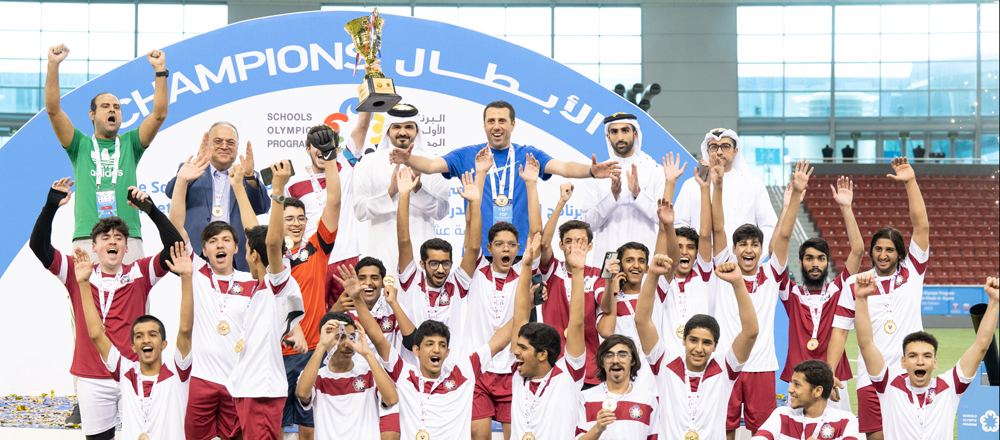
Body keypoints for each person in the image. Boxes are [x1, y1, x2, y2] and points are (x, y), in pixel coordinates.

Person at [30, 179, 182, 440]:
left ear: (125, 247)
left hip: (133, 373)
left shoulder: (140, 272)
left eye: (119, 238)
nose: (113, 241)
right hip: (91, 376)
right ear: (95, 246)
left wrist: (152, 211)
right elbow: (39, 246)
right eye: (105, 237)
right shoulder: (77, 270)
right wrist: (51, 206)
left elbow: (174, 248)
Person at [389, 100, 620, 254]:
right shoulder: (468, 155)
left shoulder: (528, 155)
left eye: (502, 121)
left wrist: (591, 171)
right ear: (484, 125)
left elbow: (563, 167)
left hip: (521, 251)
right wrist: (407, 158)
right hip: (478, 252)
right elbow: (429, 165)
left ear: (513, 124)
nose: (496, 126)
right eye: (491, 121)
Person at [240, 125, 342, 440]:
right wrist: (239, 188)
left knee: (310, 432)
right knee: (276, 431)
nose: (296, 223)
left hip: (312, 352)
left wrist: (331, 158)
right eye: (288, 218)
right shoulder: (272, 257)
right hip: (274, 356)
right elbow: (249, 229)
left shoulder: (316, 248)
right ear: (278, 224)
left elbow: (334, 203)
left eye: (300, 218)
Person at [340, 262, 515, 440]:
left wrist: (529, 304)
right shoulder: (404, 374)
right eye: (429, 344)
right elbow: (378, 338)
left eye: (442, 345)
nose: (436, 350)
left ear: (448, 352)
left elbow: (499, 342)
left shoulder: (463, 372)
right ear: (416, 350)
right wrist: (356, 298)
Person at [828, 157, 930, 440]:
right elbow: (839, 331)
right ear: (871, 252)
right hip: (870, 377)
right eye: (878, 249)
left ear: (900, 254)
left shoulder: (912, 271)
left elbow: (920, 226)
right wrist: (828, 370)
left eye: (889, 250)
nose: (883, 255)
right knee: (876, 437)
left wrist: (910, 182)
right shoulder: (855, 283)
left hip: (910, 373)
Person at [712, 159, 811, 439]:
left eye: (755, 244)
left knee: (763, 432)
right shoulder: (725, 269)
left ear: (761, 249)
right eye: (742, 244)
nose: (749, 249)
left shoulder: (771, 272)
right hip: (726, 363)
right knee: (725, 429)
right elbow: (718, 229)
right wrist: (717, 187)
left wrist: (795, 198)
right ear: (733, 249)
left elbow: (785, 234)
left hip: (762, 367)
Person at [45, 44, 168, 264]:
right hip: (87, 237)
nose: (112, 110)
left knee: (134, 299)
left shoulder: (131, 143)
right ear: (92, 114)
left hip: (128, 238)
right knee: (84, 298)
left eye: (117, 107)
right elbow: (53, 111)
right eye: (105, 106)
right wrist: (53, 65)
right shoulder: (79, 144)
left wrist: (160, 71)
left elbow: (159, 115)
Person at [168, 154, 260, 440]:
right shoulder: (197, 271)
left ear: (236, 248)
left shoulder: (252, 282)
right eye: (212, 241)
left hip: (238, 381)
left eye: (226, 241)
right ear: (204, 251)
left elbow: (256, 234)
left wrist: (241, 188)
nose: (219, 245)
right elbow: (175, 228)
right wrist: (182, 181)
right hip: (202, 381)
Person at [452, 149, 542, 439]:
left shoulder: (524, 276)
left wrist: (531, 185)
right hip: (477, 368)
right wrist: (477, 190)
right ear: (489, 248)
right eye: (499, 244)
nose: (506, 249)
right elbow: (471, 241)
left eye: (511, 244)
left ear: (518, 249)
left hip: (513, 370)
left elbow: (537, 235)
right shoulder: (475, 270)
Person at [853, 276, 999, 440]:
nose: (920, 361)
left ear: (935, 362)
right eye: (913, 356)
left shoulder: (950, 386)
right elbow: (866, 344)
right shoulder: (889, 385)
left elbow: (981, 346)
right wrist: (861, 298)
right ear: (903, 362)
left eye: (927, 356)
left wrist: (994, 301)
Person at [74, 242, 192, 439]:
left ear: (164, 344)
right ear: (133, 346)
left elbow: (186, 330)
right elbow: (96, 334)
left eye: (153, 334)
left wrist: (186, 278)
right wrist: (84, 284)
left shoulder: (178, 372)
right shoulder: (125, 372)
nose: (146, 340)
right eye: (139, 336)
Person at [637, 254, 759, 440]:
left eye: (707, 342)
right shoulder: (664, 362)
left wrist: (738, 283)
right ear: (684, 340)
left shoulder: (725, 368)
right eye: (693, 340)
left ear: (716, 346)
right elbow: (642, 321)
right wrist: (652, 275)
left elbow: (750, 332)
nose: (699, 348)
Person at [227, 159, 306, 439]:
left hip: (261, 391)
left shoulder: (278, 284)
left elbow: (271, 243)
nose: (244, 254)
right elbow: (256, 234)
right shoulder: (262, 286)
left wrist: (278, 190)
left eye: (247, 250)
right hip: (246, 388)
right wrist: (237, 187)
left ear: (253, 256)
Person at [777, 177, 863, 411]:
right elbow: (777, 250)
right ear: (800, 262)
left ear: (827, 263)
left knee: (838, 434)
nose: (815, 264)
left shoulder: (838, 289)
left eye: (821, 259)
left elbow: (858, 250)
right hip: (800, 382)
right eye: (809, 258)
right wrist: (788, 206)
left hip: (834, 378)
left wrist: (846, 207)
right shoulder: (790, 292)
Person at [354, 103, 450, 274]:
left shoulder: (433, 162)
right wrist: (391, 192)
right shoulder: (370, 162)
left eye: (408, 127)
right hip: (382, 254)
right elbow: (360, 212)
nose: (403, 132)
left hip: (422, 254)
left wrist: (418, 188)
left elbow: (441, 211)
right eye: (396, 127)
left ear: (417, 130)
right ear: (387, 131)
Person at [285, 118, 370, 306]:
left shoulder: (345, 165)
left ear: (336, 149)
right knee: (313, 314)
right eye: (317, 144)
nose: (322, 149)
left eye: (327, 144)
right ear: (308, 150)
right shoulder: (293, 182)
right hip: (313, 259)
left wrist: (370, 99)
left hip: (346, 258)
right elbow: (287, 225)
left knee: (348, 319)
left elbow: (362, 128)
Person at [510, 233, 587, 439]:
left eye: (523, 348)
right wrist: (526, 267)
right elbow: (519, 316)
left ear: (543, 354)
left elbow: (577, 323)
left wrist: (578, 271)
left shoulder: (568, 375)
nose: (516, 352)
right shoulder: (517, 374)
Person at [395, 165, 476, 359]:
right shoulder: (411, 279)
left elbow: (473, 248)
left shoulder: (457, 283)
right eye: (434, 264)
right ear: (422, 264)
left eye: (446, 264)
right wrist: (404, 194)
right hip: (412, 371)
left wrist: (475, 203)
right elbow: (404, 240)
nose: (441, 269)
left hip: (448, 371)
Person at [166, 125, 269, 271]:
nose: (224, 146)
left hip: (236, 257)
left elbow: (262, 207)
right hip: (195, 253)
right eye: (218, 141)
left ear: (237, 146)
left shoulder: (245, 174)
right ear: (209, 145)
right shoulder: (191, 170)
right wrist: (193, 168)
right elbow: (171, 192)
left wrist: (250, 178)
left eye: (230, 142)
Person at [536, 182, 605, 388]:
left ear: (590, 246)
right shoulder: (551, 269)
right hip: (552, 367)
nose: (574, 246)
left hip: (590, 369)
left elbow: (607, 306)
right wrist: (561, 203)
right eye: (569, 241)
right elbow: (543, 244)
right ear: (561, 245)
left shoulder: (596, 275)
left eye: (580, 241)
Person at [294, 312, 399, 440]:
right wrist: (321, 346)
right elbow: (302, 393)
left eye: (351, 337)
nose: (348, 343)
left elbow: (392, 400)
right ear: (325, 338)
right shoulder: (316, 376)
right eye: (340, 337)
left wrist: (368, 354)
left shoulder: (370, 372)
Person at [673, 128, 777, 255]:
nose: (719, 151)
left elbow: (769, 226)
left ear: (735, 151)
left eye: (725, 146)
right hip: (701, 265)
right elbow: (679, 224)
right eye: (714, 147)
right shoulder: (691, 185)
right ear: (707, 151)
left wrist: (752, 258)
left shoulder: (754, 185)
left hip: (741, 267)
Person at [578, 112, 664, 264]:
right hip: (607, 259)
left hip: (642, 260)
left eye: (625, 130)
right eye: (614, 132)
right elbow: (588, 225)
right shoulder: (598, 173)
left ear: (635, 134)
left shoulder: (655, 170)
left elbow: (663, 219)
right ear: (608, 137)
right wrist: (612, 197)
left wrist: (638, 195)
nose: (620, 137)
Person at [650, 154, 710, 351]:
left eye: (691, 248)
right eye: (679, 246)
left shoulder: (705, 275)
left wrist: (705, 189)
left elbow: (705, 233)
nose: (685, 252)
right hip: (667, 365)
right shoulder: (663, 278)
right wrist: (670, 183)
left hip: (699, 359)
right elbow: (662, 229)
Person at [576, 333, 659, 440]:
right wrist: (598, 428)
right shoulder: (585, 398)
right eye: (609, 355)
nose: (615, 360)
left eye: (622, 354)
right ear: (602, 362)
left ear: (633, 361)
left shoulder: (648, 400)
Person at [751, 360, 860, 440]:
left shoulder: (845, 420)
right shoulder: (781, 415)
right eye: (792, 383)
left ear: (817, 391)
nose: (790, 389)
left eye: (797, 385)